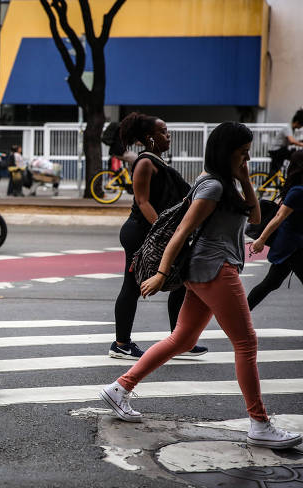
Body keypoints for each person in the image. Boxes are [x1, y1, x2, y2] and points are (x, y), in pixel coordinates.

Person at [100, 122, 302, 450]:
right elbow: (181, 231)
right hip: (215, 270)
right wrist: (162, 274)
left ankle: (119, 388)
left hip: (208, 270)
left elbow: (253, 218)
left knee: (183, 338)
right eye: (242, 151)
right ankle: (260, 423)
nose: (247, 156)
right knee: (247, 343)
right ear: (227, 152)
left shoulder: (227, 184)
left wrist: (245, 177)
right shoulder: (212, 187)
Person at [109, 113, 208, 360]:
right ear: (149, 137)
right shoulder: (144, 163)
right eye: (164, 131)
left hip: (156, 232)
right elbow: (142, 202)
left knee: (181, 282)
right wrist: (162, 232)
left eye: (167, 131)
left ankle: (180, 340)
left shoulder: (158, 162)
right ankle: (121, 344)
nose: (168, 135)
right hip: (140, 232)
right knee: (131, 286)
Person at [247, 150, 303, 309]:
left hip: (291, 246)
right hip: (293, 246)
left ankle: (239, 315)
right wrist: (261, 240)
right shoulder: (297, 191)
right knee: (270, 283)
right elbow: (278, 218)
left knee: (271, 283)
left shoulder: (296, 189)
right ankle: (239, 316)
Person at [268, 109, 303, 175]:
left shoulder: (292, 129)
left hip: (279, 151)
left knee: (274, 172)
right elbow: (292, 141)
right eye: (301, 125)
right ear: (297, 122)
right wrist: (301, 144)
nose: (301, 127)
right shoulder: (288, 128)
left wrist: (300, 142)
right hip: (276, 151)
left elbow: (293, 141)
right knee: (295, 154)